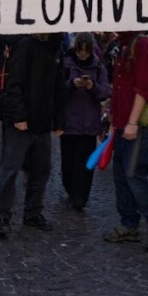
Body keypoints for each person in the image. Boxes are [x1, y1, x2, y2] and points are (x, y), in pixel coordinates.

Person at [0, 33, 65, 238]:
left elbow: (58, 86)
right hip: (22, 122)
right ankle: (3, 215)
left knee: (42, 169)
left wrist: (59, 119)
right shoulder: (24, 46)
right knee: (11, 168)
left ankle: (33, 212)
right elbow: (13, 83)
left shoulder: (54, 47)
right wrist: (18, 116)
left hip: (42, 122)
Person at [103, 31, 148, 252]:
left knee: (134, 176)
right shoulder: (123, 45)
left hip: (137, 126)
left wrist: (132, 122)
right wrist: (114, 120)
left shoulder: (141, 45)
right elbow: (119, 86)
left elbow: (144, 87)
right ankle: (129, 224)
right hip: (123, 124)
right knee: (121, 176)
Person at [58, 32, 111, 211]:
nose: (82, 55)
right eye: (80, 51)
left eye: (85, 51)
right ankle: (72, 190)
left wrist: (92, 87)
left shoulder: (98, 67)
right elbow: (58, 90)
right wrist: (72, 85)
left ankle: (81, 196)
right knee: (69, 160)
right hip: (69, 122)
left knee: (85, 162)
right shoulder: (66, 64)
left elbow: (105, 92)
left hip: (89, 123)